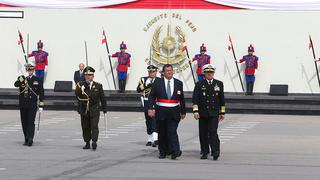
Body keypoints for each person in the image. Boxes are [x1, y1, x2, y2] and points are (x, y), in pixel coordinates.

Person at [148, 64, 186, 160]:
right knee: (162, 132)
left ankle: (176, 151)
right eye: (167, 70)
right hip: (161, 111)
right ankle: (163, 152)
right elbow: (152, 96)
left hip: (174, 111)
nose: (169, 72)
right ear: (163, 73)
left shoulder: (178, 83)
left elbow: (181, 98)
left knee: (172, 131)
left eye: (171, 70)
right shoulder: (157, 83)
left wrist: (183, 111)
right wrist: (151, 108)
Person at [192, 64, 225, 160]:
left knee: (213, 131)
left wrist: (222, 112)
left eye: (211, 72)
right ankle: (205, 152)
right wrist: (195, 111)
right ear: (204, 73)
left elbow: (221, 98)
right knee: (203, 133)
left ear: (213, 73)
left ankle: (215, 151)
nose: (209, 74)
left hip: (214, 113)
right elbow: (195, 99)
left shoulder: (219, 83)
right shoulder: (199, 84)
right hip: (202, 113)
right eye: (207, 72)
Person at [75, 66, 107, 150]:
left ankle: (94, 141)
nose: (88, 76)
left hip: (94, 109)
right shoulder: (80, 84)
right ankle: (87, 142)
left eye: (90, 75)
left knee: (94, 126)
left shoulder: (98, 86)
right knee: (85, 127)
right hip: (84, 109)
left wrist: (105, 108)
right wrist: (84, 87)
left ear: (93, 76)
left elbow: (102, 97)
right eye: (86, 75)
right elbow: (77, 94)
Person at [14, 64, 44, 146]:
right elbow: (16, 84)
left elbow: (41, 92)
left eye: (31, 70)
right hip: (23, 104)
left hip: (32, 104)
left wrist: (41, 105)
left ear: (33, 71)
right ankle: (26, 138)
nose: (30, 72)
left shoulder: (37, 79)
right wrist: (21, 79)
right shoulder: (22, 78)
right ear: (26, 70)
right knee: (24, 122)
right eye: (28, 70)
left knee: (31, 121)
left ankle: (30, 138)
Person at [137, 65, 159, 147]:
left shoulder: (159, 80)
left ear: (156, 72)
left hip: (156, 102)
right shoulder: (143, 79)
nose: (151, 73)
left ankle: (155, 139)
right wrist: (146, 85)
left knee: (154, 120)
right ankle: (150, 139)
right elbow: (138, 89)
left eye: (153, 71)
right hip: (146, 101)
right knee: (148, 120)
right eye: (150, 72)